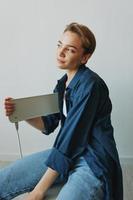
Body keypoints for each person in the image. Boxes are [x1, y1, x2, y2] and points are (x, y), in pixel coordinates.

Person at [1, 22, 123, 200]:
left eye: (71, 49)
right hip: (68, 153)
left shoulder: (91, 86)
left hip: (92, 160)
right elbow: (48, 124)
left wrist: (38, 191)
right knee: (4, 180)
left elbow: (71, 139)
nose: (61, 52)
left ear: (84, 57)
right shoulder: (62, 84)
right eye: (60, 45)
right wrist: (22, 113)